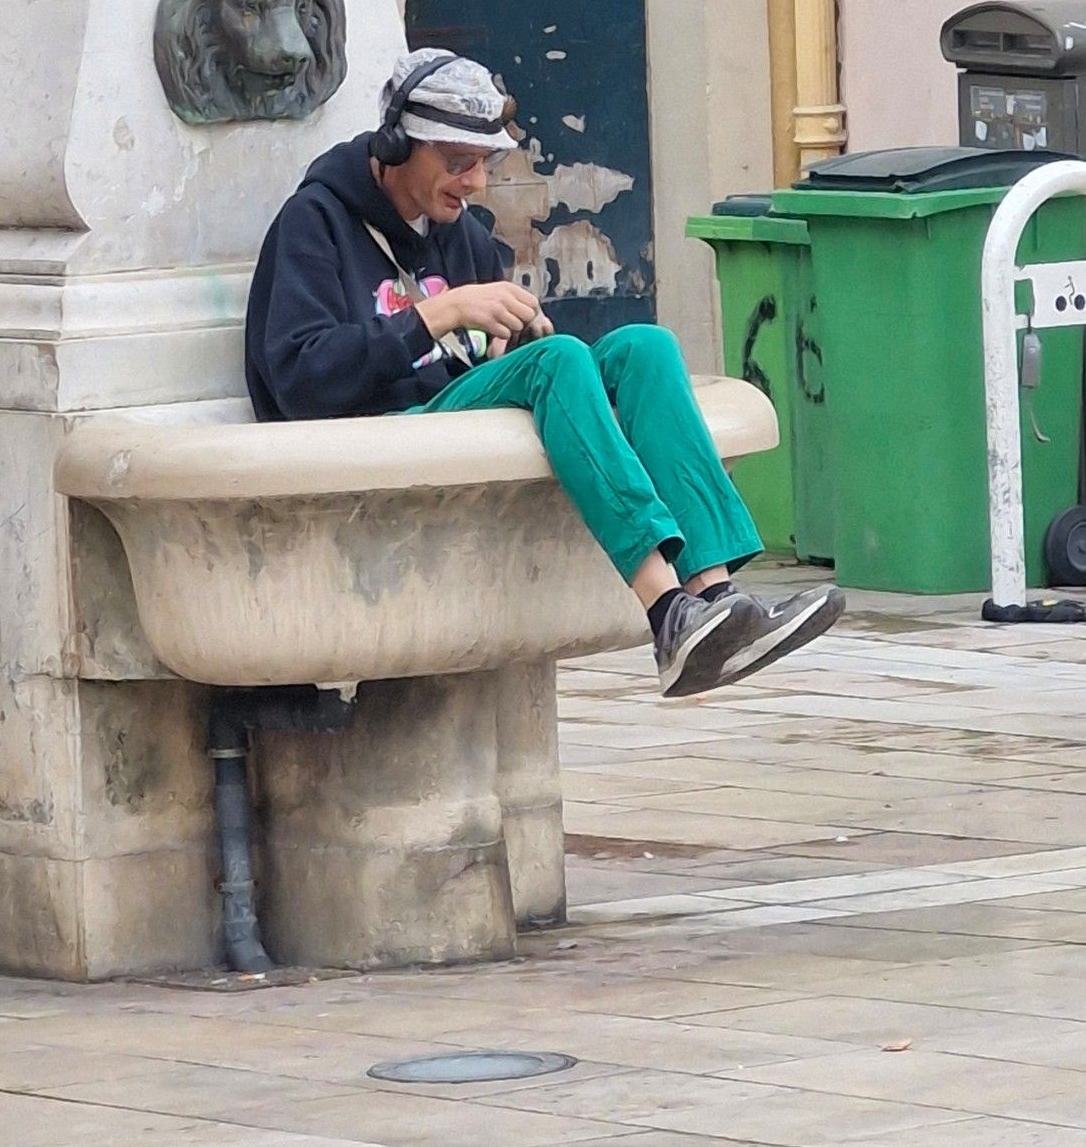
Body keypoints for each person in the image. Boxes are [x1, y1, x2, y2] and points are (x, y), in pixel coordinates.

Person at [245, 48, 844, 698]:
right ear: (397, 146)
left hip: (455, 413)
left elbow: (489, 358)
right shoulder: (314, 224)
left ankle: (717, 600)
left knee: (645, 347)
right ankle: (665, 612)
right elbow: (298, 379)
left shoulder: (462, 234)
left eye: (484, 164)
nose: (475, 183)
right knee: (559, 363)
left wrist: (514, 337)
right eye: (456, 163)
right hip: (381, 430)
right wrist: (435, 315)